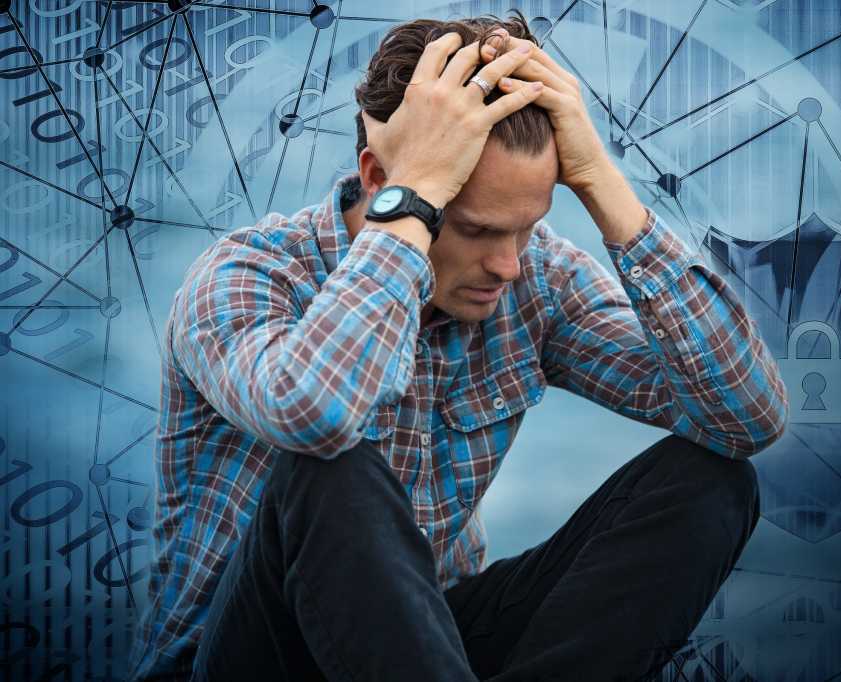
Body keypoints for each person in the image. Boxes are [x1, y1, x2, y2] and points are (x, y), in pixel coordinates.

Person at [128, 11, 788, 682]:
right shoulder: (248, 276)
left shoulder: (535, 280)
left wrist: (600, 180)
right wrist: (411, 208)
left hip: (424, 648)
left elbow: (746, 417)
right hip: (247, 658)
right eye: (475, 229)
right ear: (383, 179)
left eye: (526, 228)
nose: (507, 264)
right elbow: (316, 412)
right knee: (328, 464)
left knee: (713, 483)